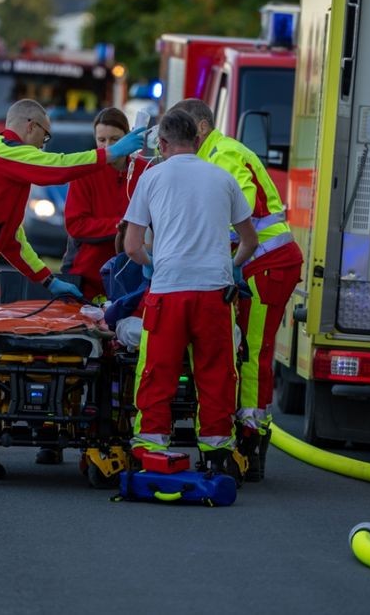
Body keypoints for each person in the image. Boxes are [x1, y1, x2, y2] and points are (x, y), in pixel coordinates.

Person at [0, 98, 145, 477]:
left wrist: (47, 280)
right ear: (29, 127)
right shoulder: (7, 151)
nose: (45, 145)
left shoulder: (4, 168)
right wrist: (109, 155)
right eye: (44, 136)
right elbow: (56, 169)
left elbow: (12, 240)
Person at [171, 99, 304, 482]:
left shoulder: (223, 153)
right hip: (259, 264)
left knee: (252, 352)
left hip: (266, 264)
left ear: (199, 127)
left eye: (184, 128)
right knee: (247, 349)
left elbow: (236, 211)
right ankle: (248, 434)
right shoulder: (216, 153)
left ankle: (251, 438)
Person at [122, 109, 258, 481]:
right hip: (214, 293)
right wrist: (231, 267)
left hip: (168, 291)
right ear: (198, 141)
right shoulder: (222, 177)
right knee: (216, 374)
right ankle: (216, 453)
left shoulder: (152, 177)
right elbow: (250, 239)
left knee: (157, 370)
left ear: (162, 143)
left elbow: (132, 246)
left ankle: (150, 447)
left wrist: (154, 263)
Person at [64, 108, 133, 299]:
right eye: (101, 140)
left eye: (115, 139)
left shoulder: (145, 171)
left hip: (132, 281)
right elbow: (76, 224)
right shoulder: (85, 171)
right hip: (87, 281)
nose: (108, 146)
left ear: (128, 138)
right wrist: (120, 227)